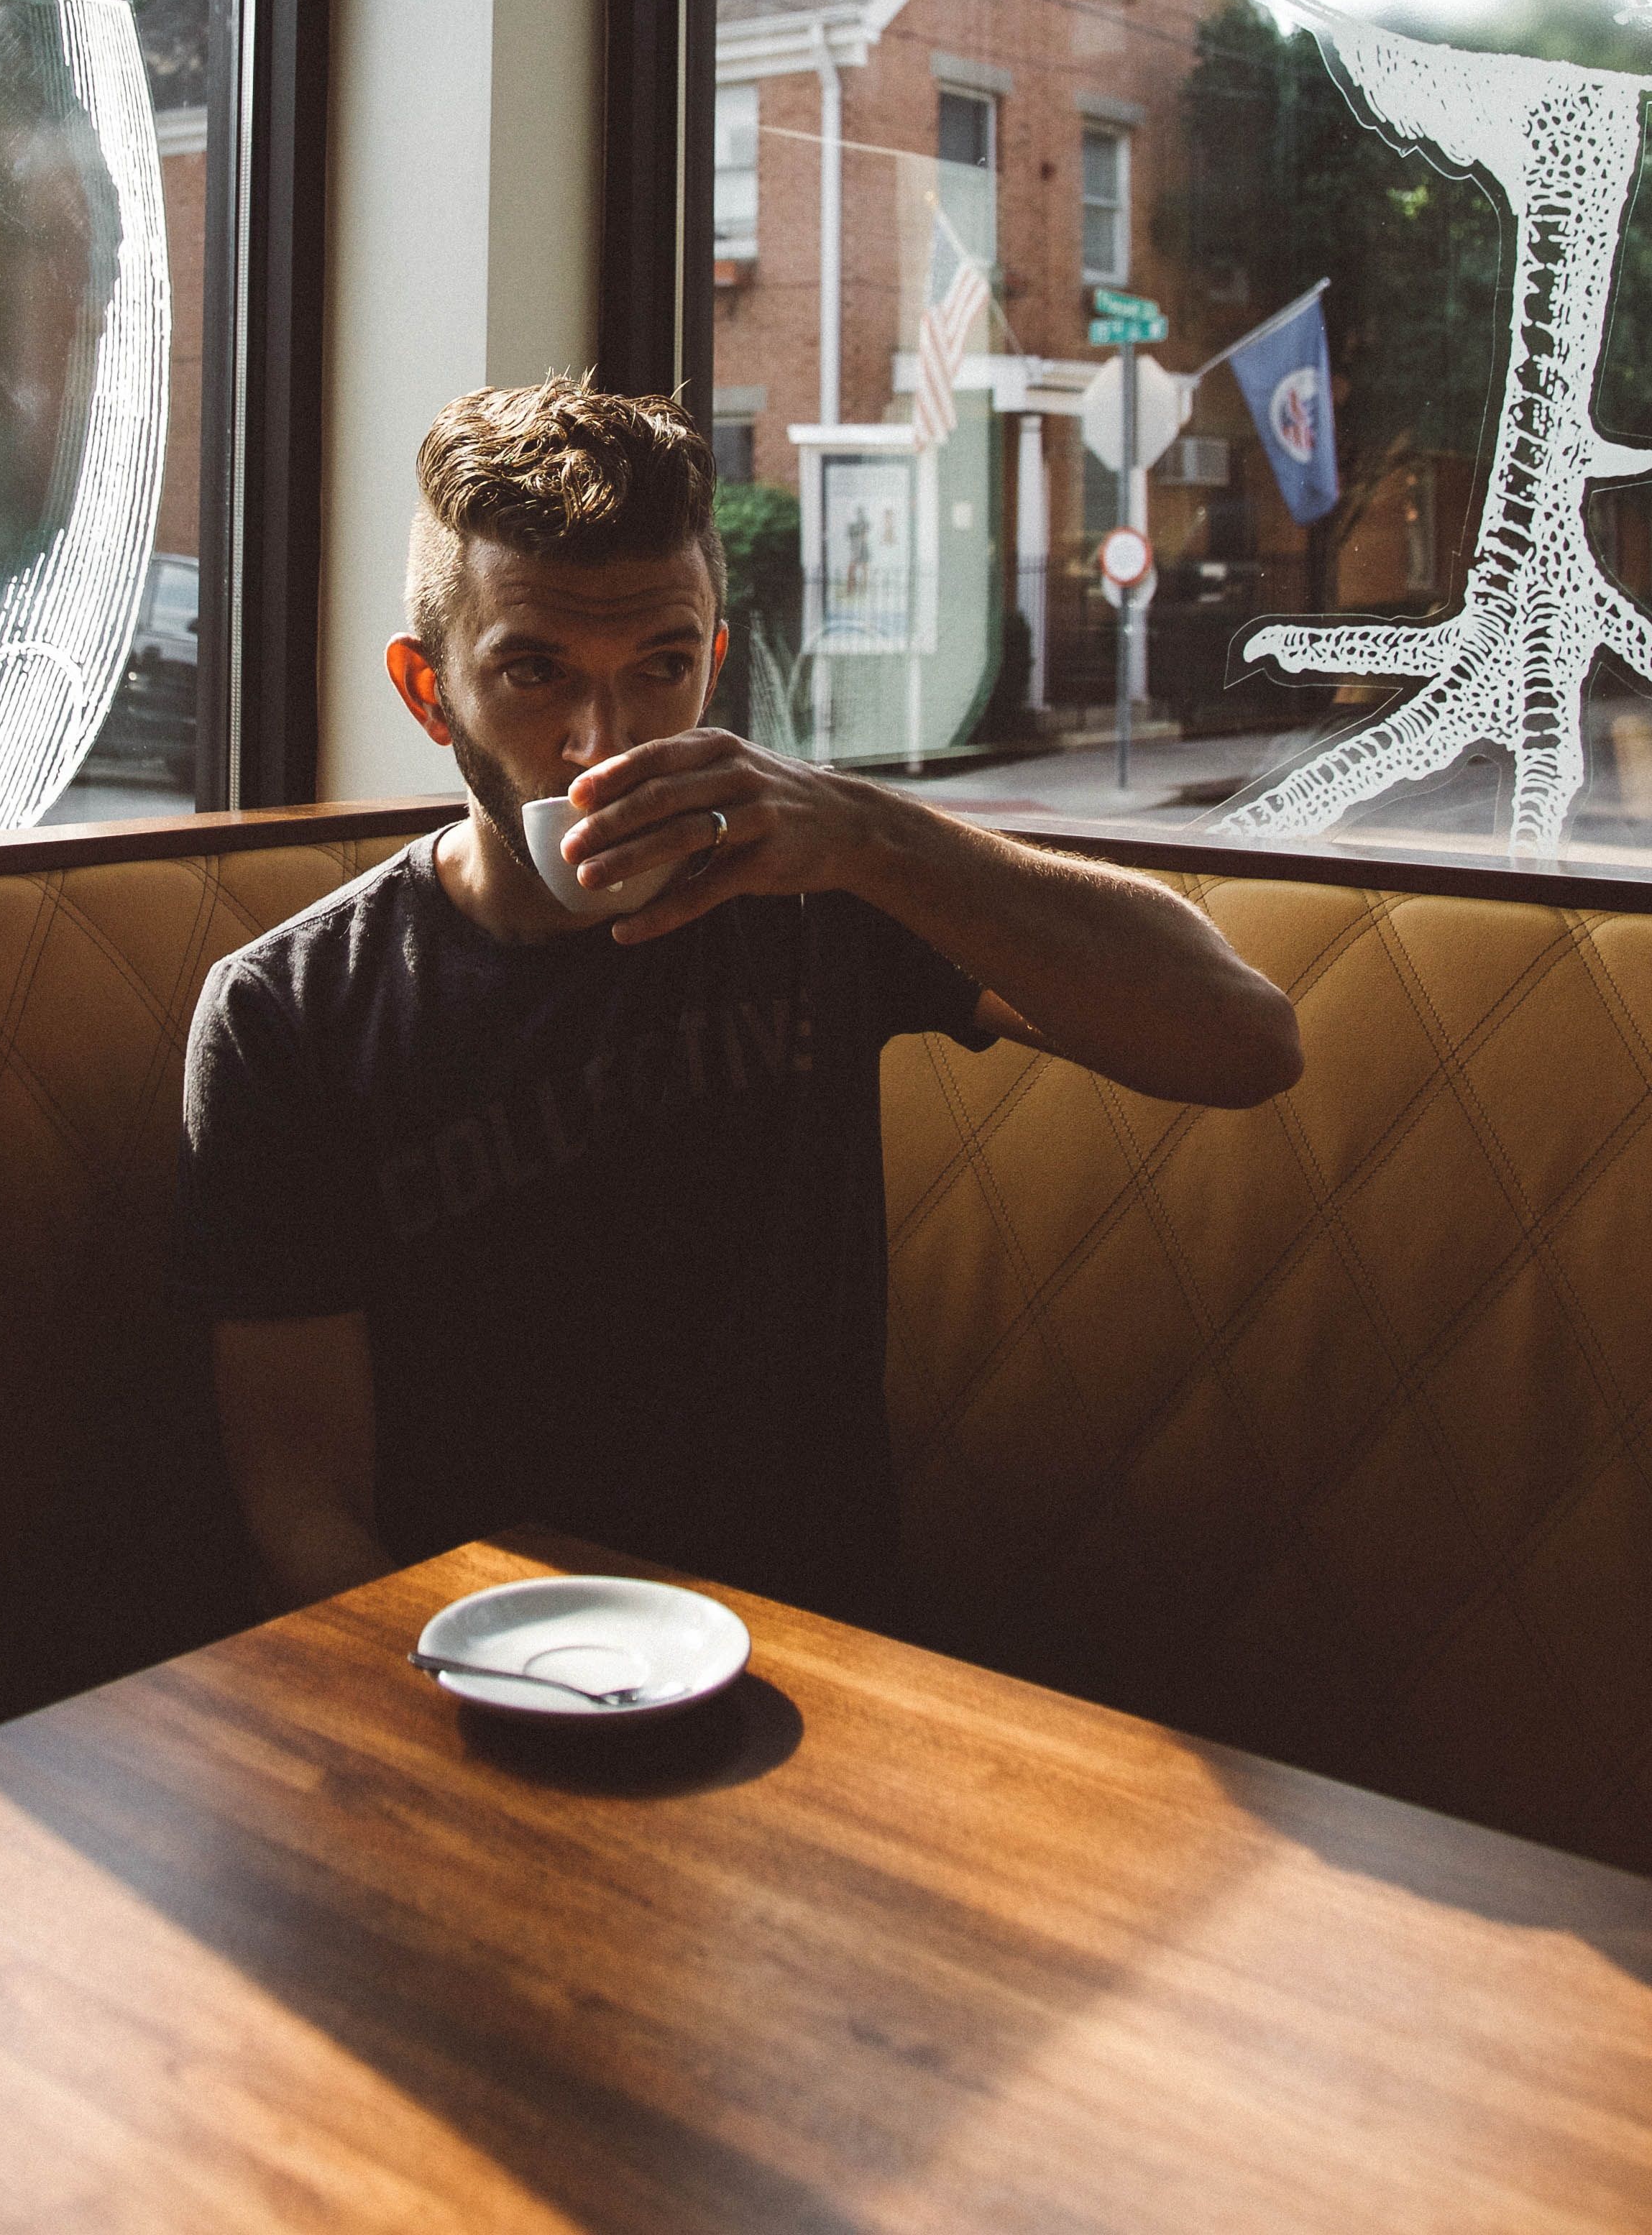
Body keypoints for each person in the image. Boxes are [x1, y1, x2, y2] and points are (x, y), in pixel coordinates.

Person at [175, 376, 1303, 1625]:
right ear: (428, 691)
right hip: (480, 1671)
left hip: (818, 1653)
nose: (602, 740)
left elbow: (1244, 1042)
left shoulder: (814, 893)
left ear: (713, 657)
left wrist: (872, 834)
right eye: (534, 672)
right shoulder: (288, 1015)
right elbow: (302, 1505)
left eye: (660, 665)